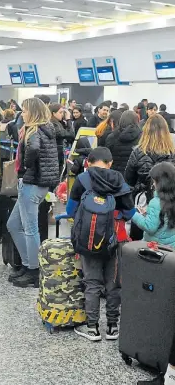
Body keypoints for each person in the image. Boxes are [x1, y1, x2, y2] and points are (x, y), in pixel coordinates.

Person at [67, 147, 135, 341]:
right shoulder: (119, 180)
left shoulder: (82, 179)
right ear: (110, 163)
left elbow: (72, 210)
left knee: (92, 282)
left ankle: (92, 328)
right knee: (114, 284)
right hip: (116, 238)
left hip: (89, 239)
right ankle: (113, 327)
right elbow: (130, 213)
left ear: (88, 162)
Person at [6, 97, 59, 288]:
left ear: (34, 112)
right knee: (13, 224)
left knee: (30, 229)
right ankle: (28, 264)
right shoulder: (47, 129)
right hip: (39, 183)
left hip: (32, 183)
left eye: (25, 111)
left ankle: (34, 271)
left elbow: (34, 149)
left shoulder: (34, 131)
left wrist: (27, 165)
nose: (23, 114)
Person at [125, 115, 175, 240]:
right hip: (168, 200)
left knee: (138, 236)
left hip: (142, 200)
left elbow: (129, 179)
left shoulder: (137, 152)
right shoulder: (172, 153)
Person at [131, 162, 175, 248]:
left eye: (155, 181)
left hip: (155, 247)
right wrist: (147, 214)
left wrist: (133, 214)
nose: (153, 184)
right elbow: (164, 219)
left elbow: (150, 227)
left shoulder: (156, 202)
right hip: (171, 247)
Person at [105, 110, 141, 174]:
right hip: (133, 175)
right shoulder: (141, 137)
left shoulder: (112, 137)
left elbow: (107, 158)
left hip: (114, 175)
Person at [50, 103, 75, 174]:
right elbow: (71, 134)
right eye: (60, 112)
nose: (62, 114)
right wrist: (68, 119)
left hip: (57, 153)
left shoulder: (57, 123)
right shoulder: (54, 125)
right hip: (56, 154)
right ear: (54, 113)